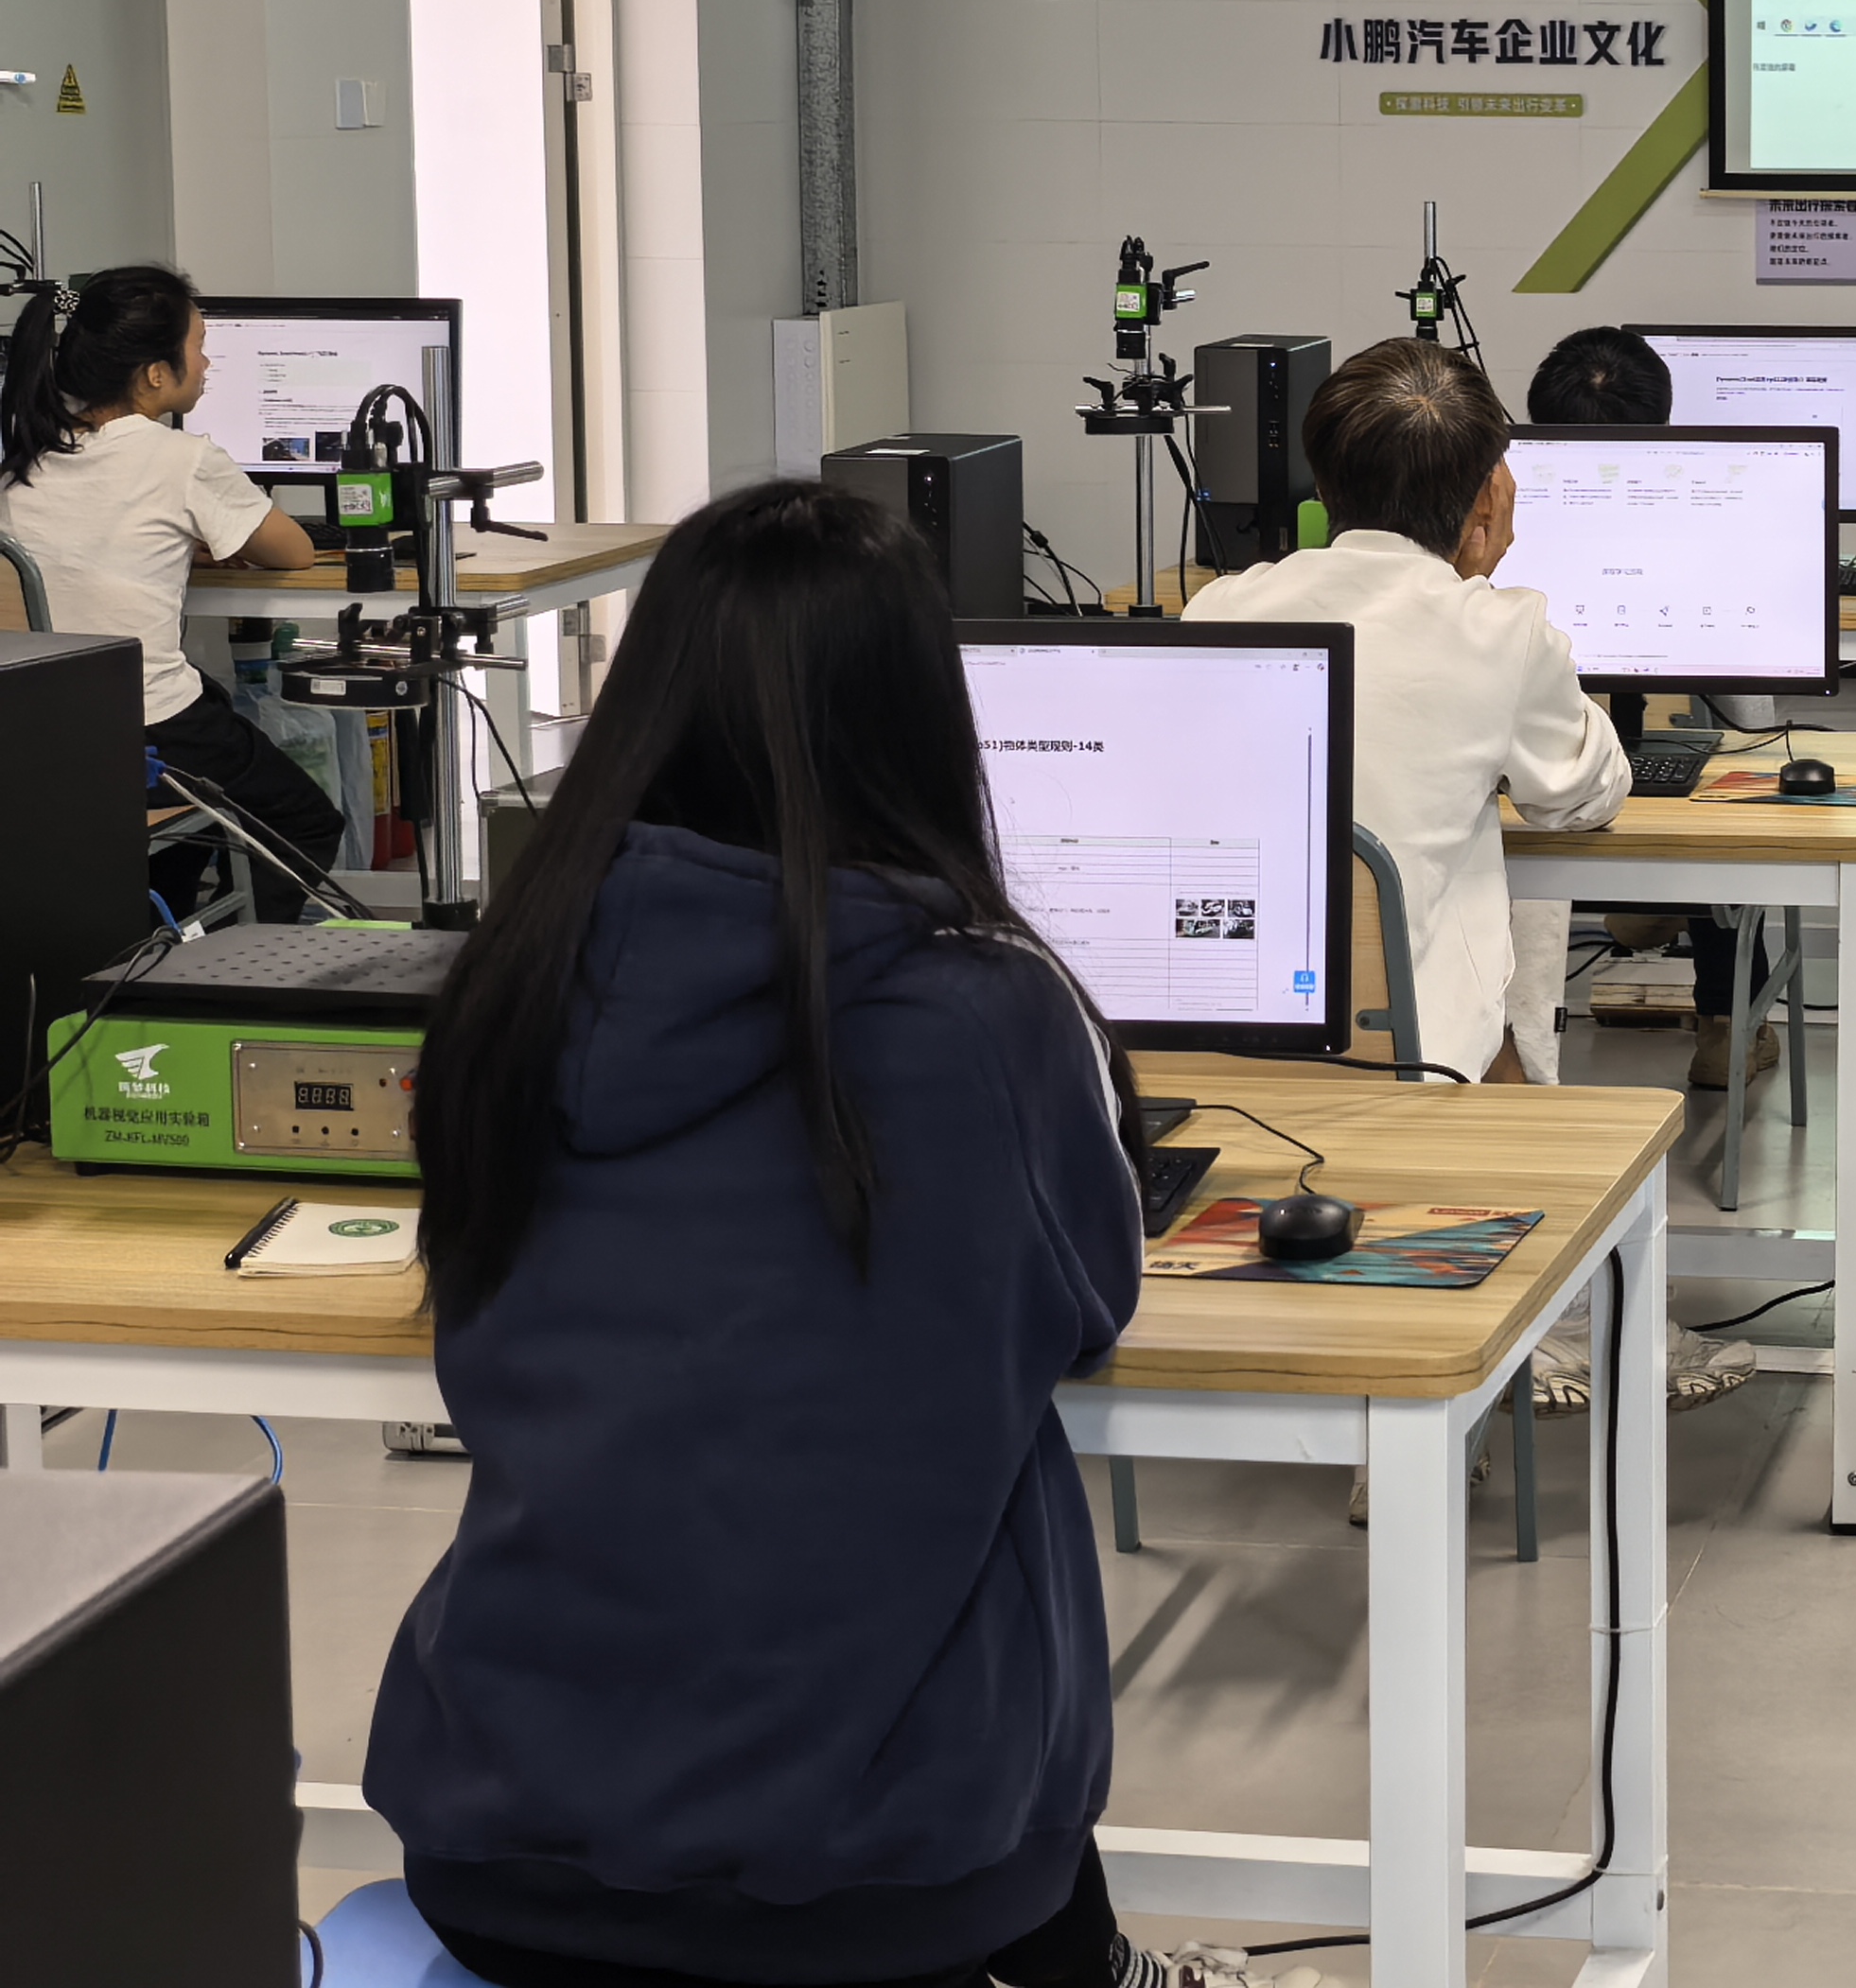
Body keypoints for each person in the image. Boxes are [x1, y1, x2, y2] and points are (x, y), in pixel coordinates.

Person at [366, 482, 1286, 1988]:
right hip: (882, 1881)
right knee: (978, 1523)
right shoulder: (986, 1011)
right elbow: (1090, 1302)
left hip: (497, 1843)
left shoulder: (512, 985)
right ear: (920, 713)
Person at [1186, 337, 1626, 1083]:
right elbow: (1585, 796)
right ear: (1488, 495)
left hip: (1224, 1038)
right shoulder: (1500, 632)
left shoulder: (1218, 609)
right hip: (1414, 1056)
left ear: (1322, 485)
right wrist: (1476, 585)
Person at [0, 265, 343, 916]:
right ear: (156, 373)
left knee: (210, 729)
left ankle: (170, 927)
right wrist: (214, 533)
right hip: (148, 728)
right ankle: (246, 962)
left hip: (38, 732)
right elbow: (295, 552)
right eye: (199, 346)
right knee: (304, 819)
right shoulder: (184, 460)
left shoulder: (24, 463)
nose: (207, 363)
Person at [1519, 323, 1777, 1096]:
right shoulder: (1709, 507)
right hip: (1666, 780)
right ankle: (1727, 1024)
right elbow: (1749, 710)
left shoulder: (1505, 512)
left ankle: (1640, 905)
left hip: (1529, 787)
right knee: (1738, 810)